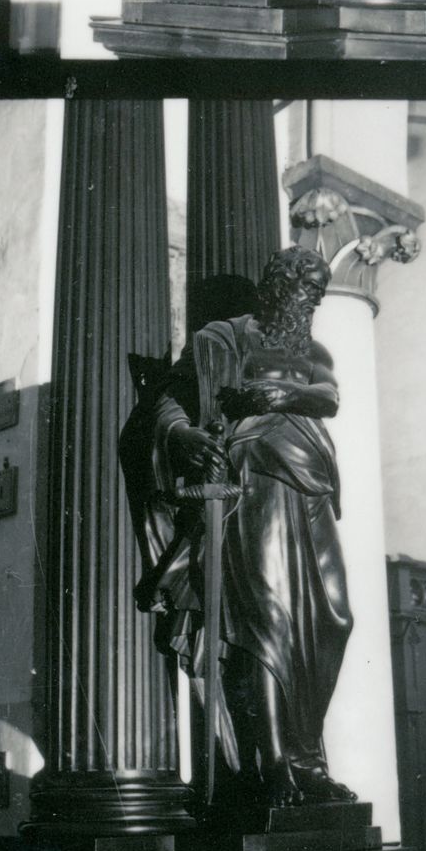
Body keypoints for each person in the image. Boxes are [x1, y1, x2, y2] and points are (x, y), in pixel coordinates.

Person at [120, 248, 354, 814]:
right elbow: (168, 404)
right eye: (307, 292)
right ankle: (275, 764)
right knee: (269, 621)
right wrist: (182, 438)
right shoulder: (224, 337)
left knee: (332, 618)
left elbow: (329, 396)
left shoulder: (312, 350)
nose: (314, 303)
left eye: (319, 294)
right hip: (254, 483)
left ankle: (306, 759)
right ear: (276, 289)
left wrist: (279, 394)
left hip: (313, 484)